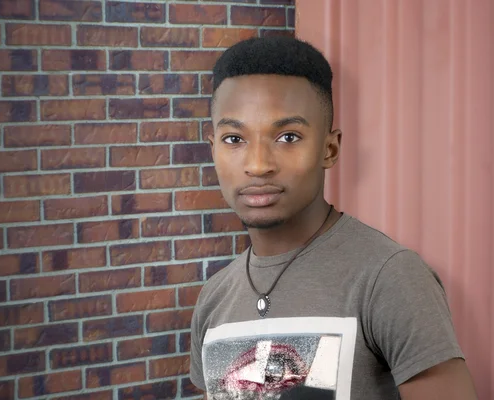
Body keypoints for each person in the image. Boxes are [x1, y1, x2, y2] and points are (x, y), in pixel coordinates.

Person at [189, 36, 478, 400]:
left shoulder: (389, 278)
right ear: (213, 149)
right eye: (234, 139)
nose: (258, 164)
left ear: (330, 148)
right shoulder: (214, 298)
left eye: (288, 136)